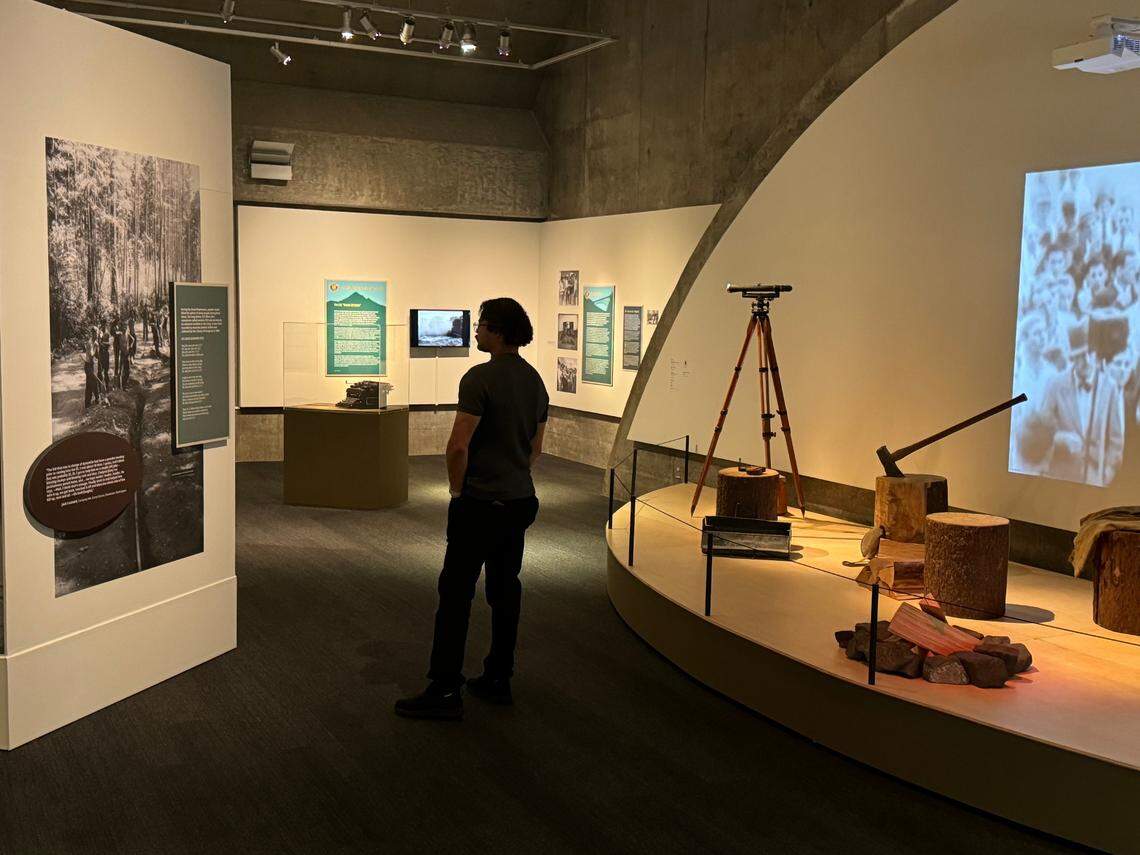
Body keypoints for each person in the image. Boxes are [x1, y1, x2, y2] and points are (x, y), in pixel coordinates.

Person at [396, 298, 548, 720]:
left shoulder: (479, 378)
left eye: (481, 325)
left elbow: (458, 445)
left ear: (497, 330)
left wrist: (457, 490)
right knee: (505, 589)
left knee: (455, 593)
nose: (475, 331)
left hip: (480, 503)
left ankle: (445, 688)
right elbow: (536, 449)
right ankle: (499, 676)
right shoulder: (535, 381)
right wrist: (512, 474)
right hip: (519, 500)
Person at [1034, 320, 1124, 486]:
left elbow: (1116, 441)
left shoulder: (1109, 387)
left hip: (1095, 477)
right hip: (1061, 475)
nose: (1084, 361)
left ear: (1096, 354)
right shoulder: (1055, 385)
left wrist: (1107, 473)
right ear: (1071, 358)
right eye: (1078, 356)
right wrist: (1061, 438)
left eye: (1088, 354)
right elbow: (1039, 431)